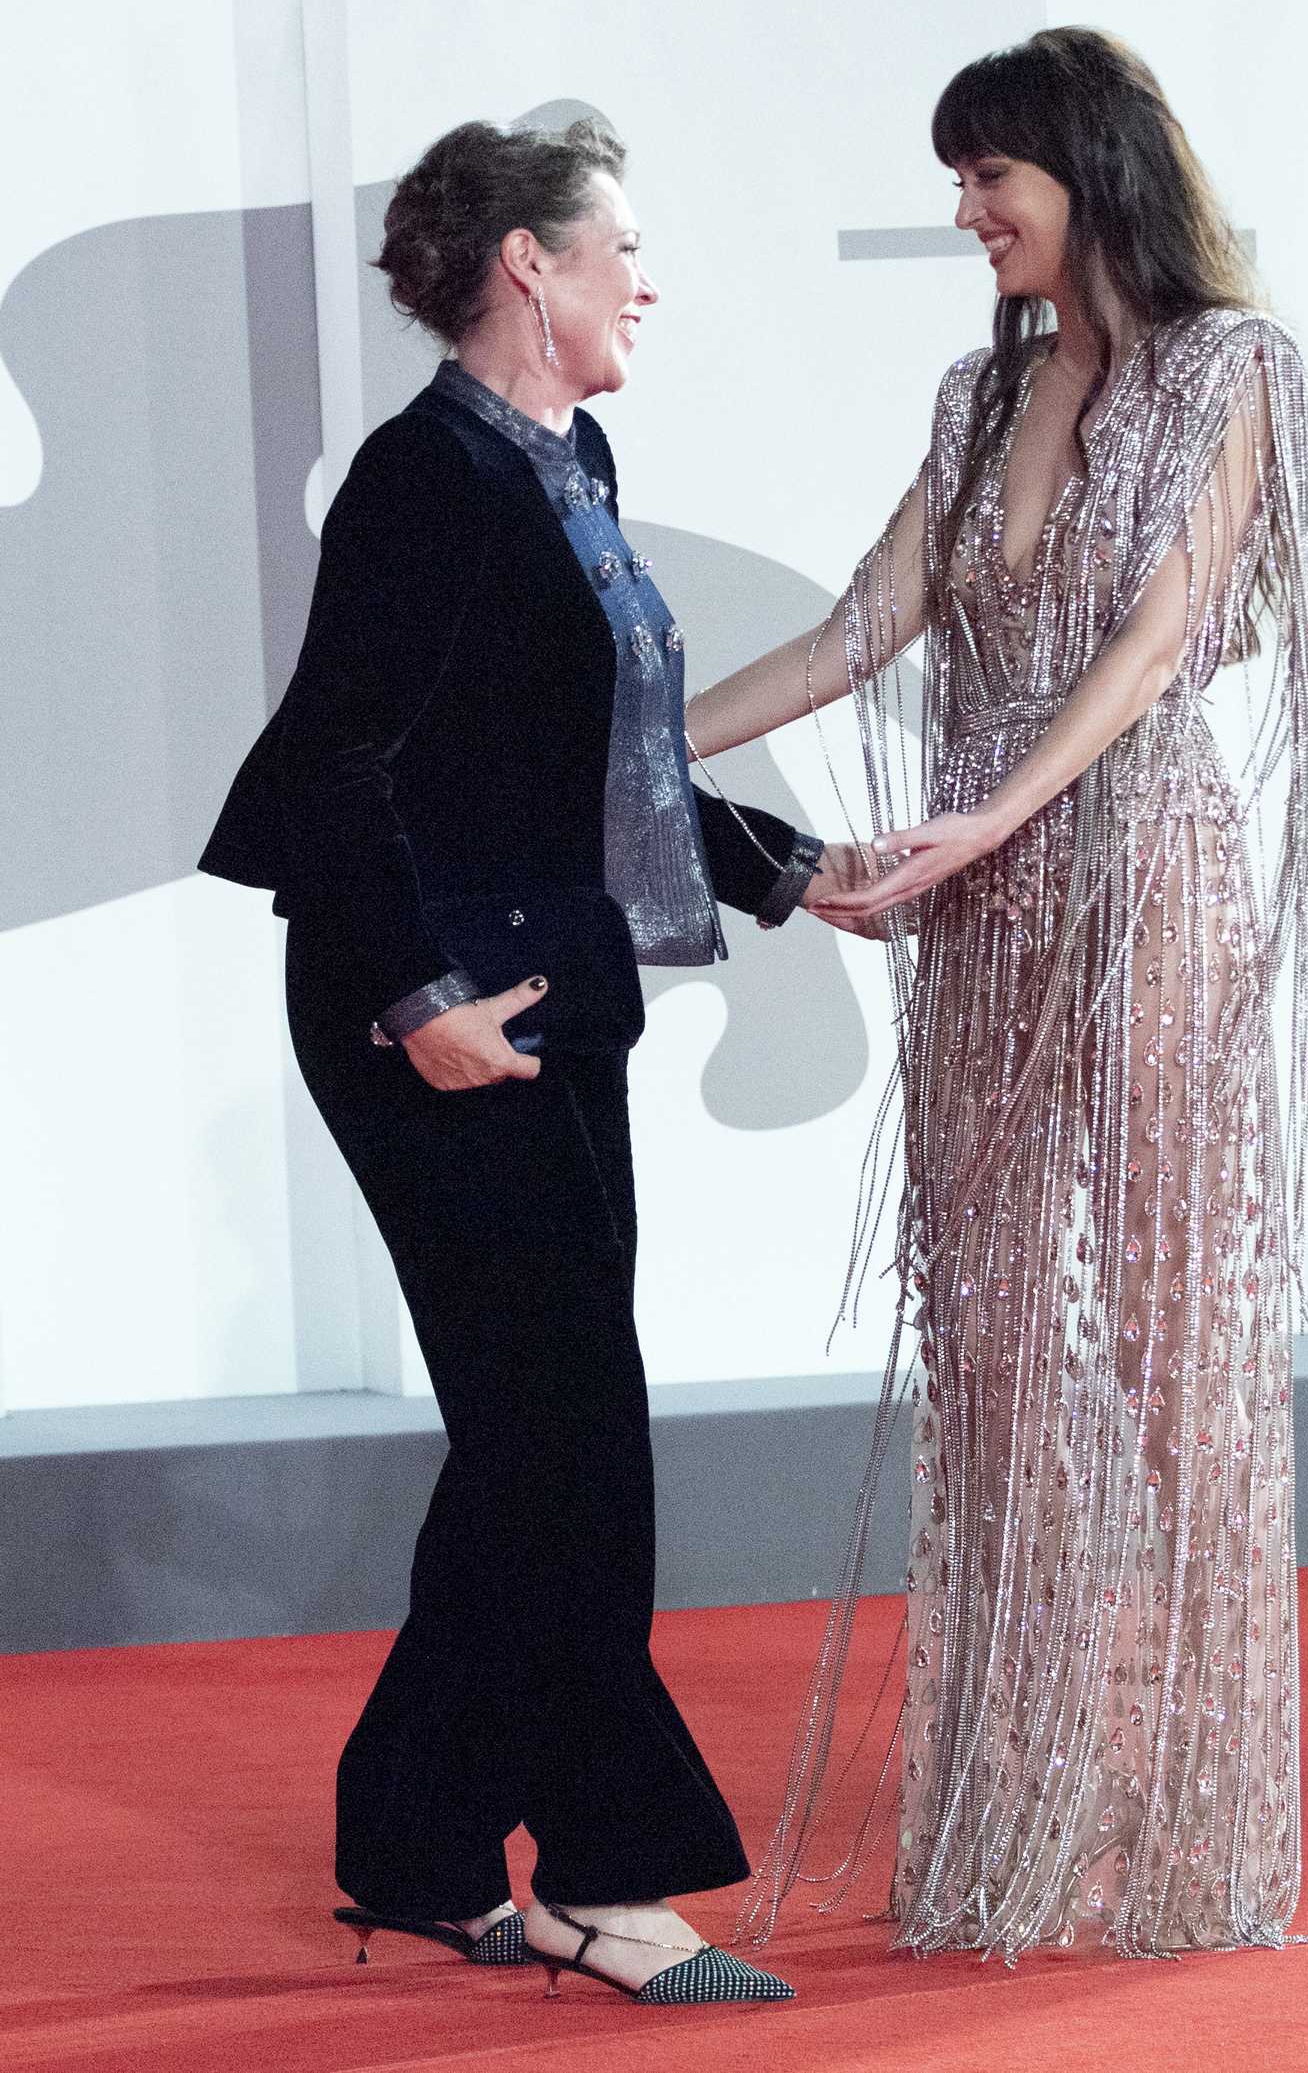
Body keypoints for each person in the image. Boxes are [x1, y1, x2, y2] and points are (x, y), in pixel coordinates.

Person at [685, 28, 1308, 1960]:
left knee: (1168, 1336)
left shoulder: (1235, 370)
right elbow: (849, 633)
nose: (967, 213)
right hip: (977, 902)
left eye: (994, 175)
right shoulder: (978, 396)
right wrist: (635, 743)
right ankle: (1017, 1812)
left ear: (1093, 170)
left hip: (1135, 873)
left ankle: (1193, 1823)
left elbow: (1159, 643)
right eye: (961, 180)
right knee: (988, 1338)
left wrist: (990, 818)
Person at [200, 115, 834, 2005]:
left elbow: (603, 758)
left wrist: (800, 871)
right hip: (437, 1022)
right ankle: (608, 1882)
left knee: (530, 1438)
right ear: (526, 270)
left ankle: (413, 1838)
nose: (648, 279)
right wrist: (415, 1007)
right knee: (572, 1446)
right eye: (620, 245)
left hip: (550, 997)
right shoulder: (422, 480)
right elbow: (330, 766)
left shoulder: (571, 458)